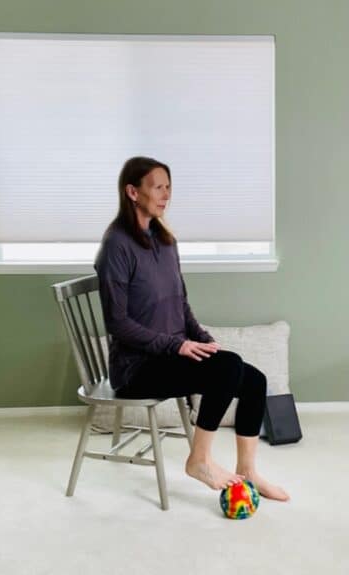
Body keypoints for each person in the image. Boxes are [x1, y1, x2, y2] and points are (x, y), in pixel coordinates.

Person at [94, 156, 289, 501]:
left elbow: (180, 302)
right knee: (227, 369)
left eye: (169, 187)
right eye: (158, 187)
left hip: (169, 355)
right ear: (133, 192)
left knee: (254, 379)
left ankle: (248, 471)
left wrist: (201, 339)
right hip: (136, 369)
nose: (166, 195)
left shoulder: (164, 241)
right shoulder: (116, 246)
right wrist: (175, 346)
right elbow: (117, 322)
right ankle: (199, 460)